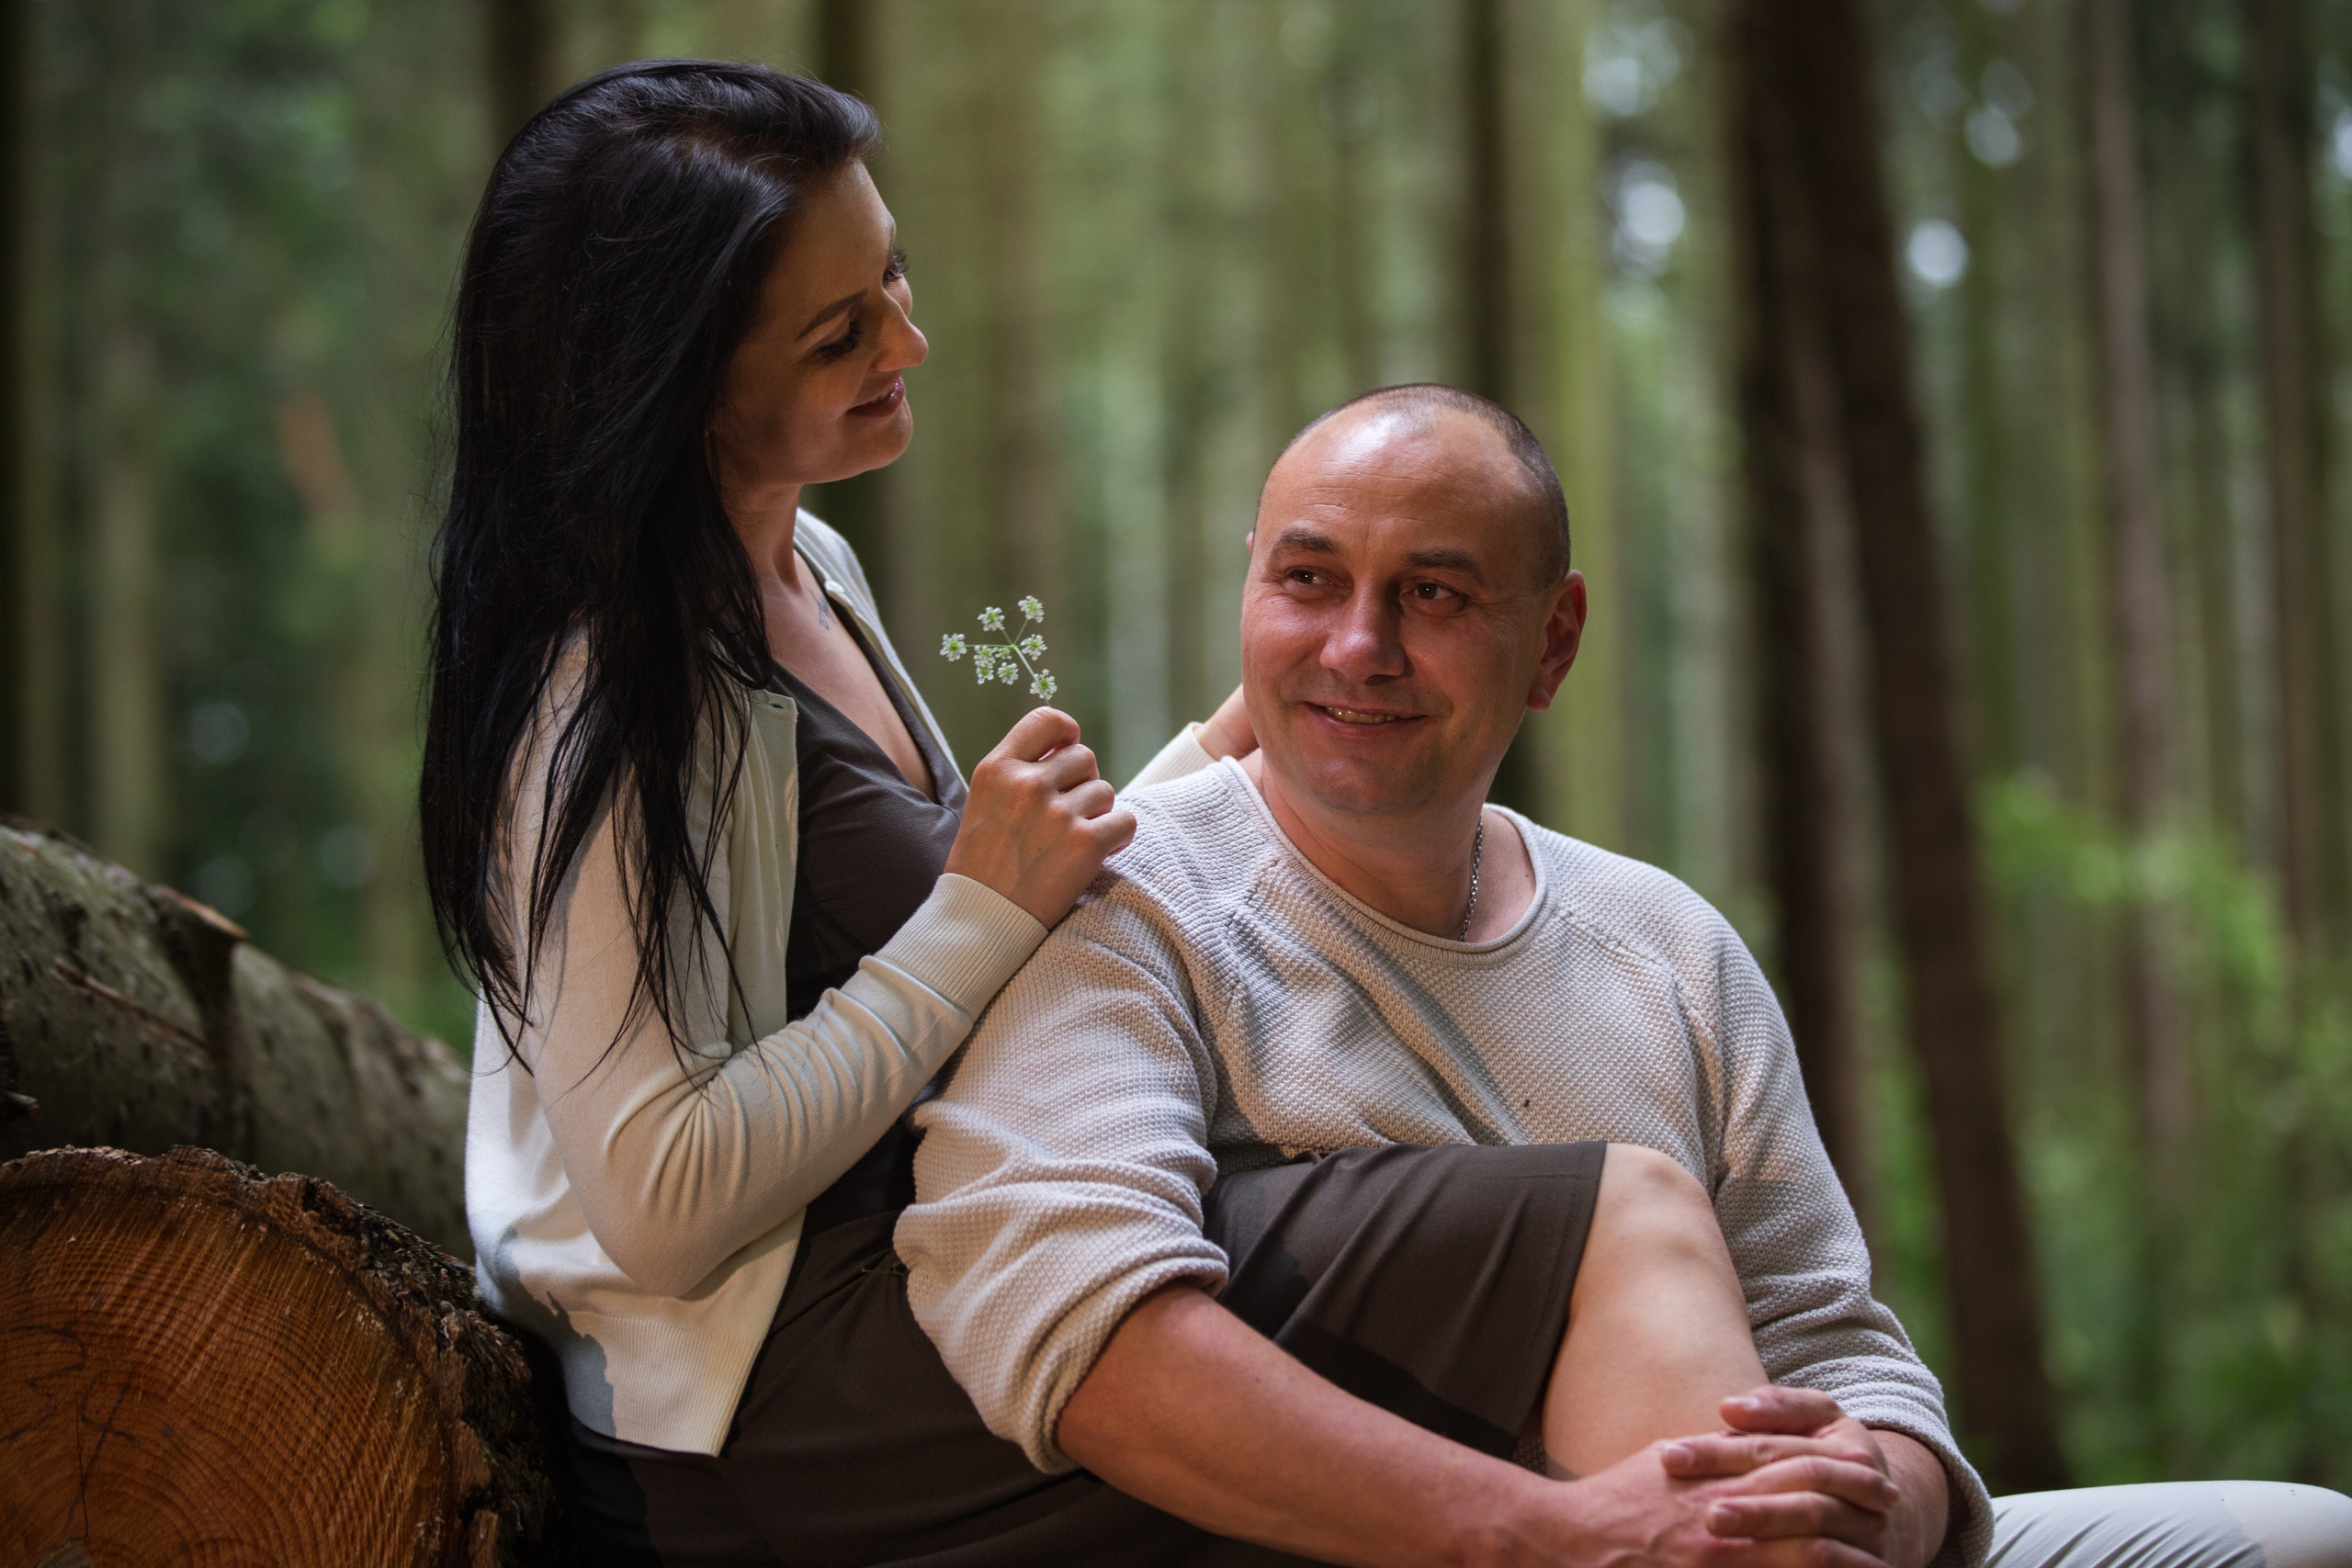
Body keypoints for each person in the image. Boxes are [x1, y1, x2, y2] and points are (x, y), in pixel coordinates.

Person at [897, 385, 2352, 1568]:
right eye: (1310, 579)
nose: (1360, 646)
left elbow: (1836, 1338)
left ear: (1555, 640)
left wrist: (1890, 1494)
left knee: (2303, 1536)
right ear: (1250, 601)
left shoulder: (1666, 944)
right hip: (1452, 1543)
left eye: (1437, 594)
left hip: (1726, 1537)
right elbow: (1072, 1319)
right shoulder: (1118, 894)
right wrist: (1574, 1533)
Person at [418, 62, 1255, 1562]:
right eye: (840, 333)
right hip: (743, 1407)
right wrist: (981, 911)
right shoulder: (603, 699)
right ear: (671, 382)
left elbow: (969, 908)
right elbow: (663, 1207)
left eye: (895, 278)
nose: (910, 342)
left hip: (938, 1239)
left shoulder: (811, 561)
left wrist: (1234, 744)